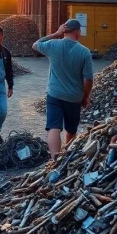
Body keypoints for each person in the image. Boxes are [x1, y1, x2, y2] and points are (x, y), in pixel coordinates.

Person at [32, 19, 93, 159]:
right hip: (74, 97)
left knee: (54, 127)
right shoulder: (84, 52)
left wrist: (55, 33)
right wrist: (85, 97)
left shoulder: (53, 45)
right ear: (77, 31)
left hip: (54, 95)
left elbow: (35, 45)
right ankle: (68, 156)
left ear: (64, 31)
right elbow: (88, 79)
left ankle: (55, 160)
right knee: (71, 129)